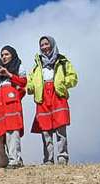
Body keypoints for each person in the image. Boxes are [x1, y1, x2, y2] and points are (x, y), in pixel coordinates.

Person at [28, 35, 78, 165]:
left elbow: (73, 77)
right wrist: (30, 87)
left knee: (60, 128)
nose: (44, 47)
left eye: (46, 44)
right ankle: (48, 159)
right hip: (42, 98)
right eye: (42, 45)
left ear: (52, 44)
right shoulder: (37, 66)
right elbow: (31, 80)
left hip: (57, 95)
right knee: (45, 130)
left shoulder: (62, 61)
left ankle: (62, 157)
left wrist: (62, 84)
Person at [0, 47, 26, 170]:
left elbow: (23, 83)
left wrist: (9, 74)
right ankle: (2, 161)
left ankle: (15, 160)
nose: (4, 57)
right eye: (2, 55)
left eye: (6, 54)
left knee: (12, 131)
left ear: (12, 55)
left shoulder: (18, 67)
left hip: (11, 103)